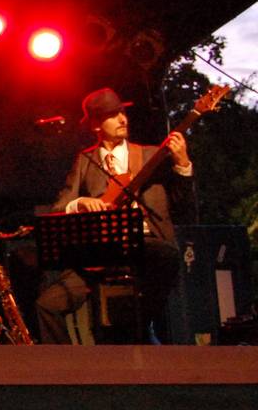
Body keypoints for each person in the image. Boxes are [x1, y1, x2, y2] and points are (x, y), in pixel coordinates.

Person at [35, 87, 193, 344]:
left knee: (165, 256)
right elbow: (59, 208)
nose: (123, 120)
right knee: (47, 305)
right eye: (113, 115)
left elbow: (183, 206)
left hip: (146, 243)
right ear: (96, 125)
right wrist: (80, 202)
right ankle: (64, 370)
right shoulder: (85, 161)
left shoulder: (151, 155)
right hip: (101, 250)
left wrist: (182, 164)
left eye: (122, 113)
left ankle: (143, 324)